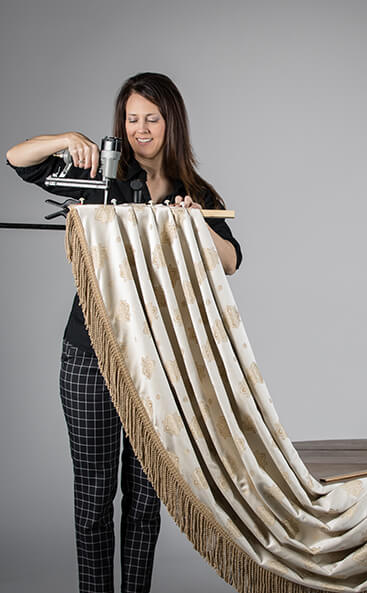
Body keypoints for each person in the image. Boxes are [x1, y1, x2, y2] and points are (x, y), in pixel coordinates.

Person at [6, 72, 242, 593]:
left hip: (156, 363)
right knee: (93, 498)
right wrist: (68, 138)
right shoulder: (102, 175)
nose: (140, 129)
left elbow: (230, 261)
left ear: (171, 123)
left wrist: (194, 223)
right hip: (89, 356)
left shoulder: (194, 192)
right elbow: (16, 159)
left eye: (151, 119)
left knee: (145, 498)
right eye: (132, 118)